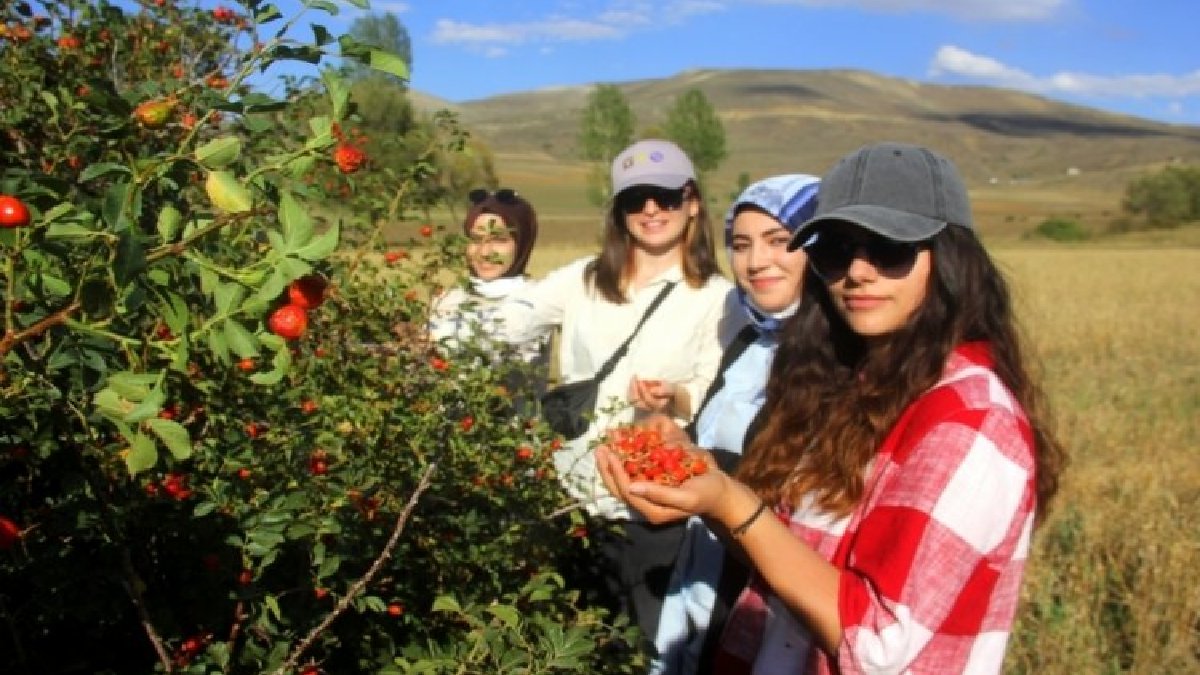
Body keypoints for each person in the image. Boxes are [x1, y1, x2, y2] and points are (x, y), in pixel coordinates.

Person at [597, 141, 1067, 674]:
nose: (857, 272)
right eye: (835, 250)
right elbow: (786, 550)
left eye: (889, 248)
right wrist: (698, 476)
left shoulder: (967, 421)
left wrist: (727, 500)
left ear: (951, 258)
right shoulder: (859, 385)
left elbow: (875, 644)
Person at [495, 139, 734, 642]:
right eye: (635, 198)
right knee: (564, 643)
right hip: (570, 494)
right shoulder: (582, 279)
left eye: (665, 196)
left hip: (651, 508)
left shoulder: (717, 298)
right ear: (620, 211)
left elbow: (709, 387)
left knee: (646, 645)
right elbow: (510, 324)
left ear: (692, 203)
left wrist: (673, 397)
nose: (651, 210)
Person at [651, 174, 821, 675]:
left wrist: (708, 476)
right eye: (742, 245)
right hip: (706, 567)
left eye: (780, 241)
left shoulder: (836, 362)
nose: (755, 262)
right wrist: (677, 443)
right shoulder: (750, 343)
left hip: (768, 596)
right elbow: (718, 451)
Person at [428, 188, 549, 399]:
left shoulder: (538, 301)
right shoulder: (446, 301)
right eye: (476, 239)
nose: (484, 252)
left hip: (510, 430)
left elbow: (504, 366)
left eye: (499, 240)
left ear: (522, 243)